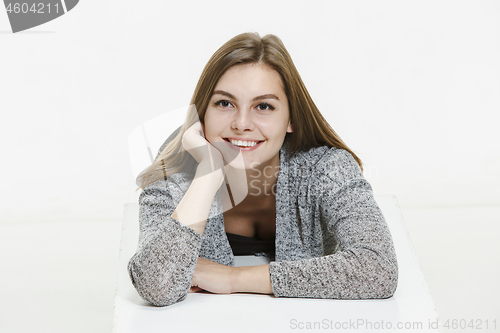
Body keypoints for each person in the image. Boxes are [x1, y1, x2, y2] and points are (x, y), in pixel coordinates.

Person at [128, 32, 398, 307]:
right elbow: (155, 286)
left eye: (264, 106)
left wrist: (234, 279)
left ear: (291, 119)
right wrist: (207, 175)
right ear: (202, 114)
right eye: (224, 103)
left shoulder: (326, 168)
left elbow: (379, 267)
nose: (242, 123)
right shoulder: (172, 170)